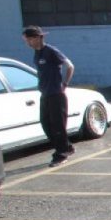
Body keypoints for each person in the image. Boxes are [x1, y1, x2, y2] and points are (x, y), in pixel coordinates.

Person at [22, 25, 75, 167]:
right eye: (26, 40)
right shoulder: (36, 53)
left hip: (56, 94)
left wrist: (65, 84)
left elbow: (70, 66)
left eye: (28, 40)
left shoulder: (51, 51)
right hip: (45, 94)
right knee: (45, 124)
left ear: (37, 38)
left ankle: (61, 154)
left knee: (58, 125)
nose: (27, 43)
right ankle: (67, 147)